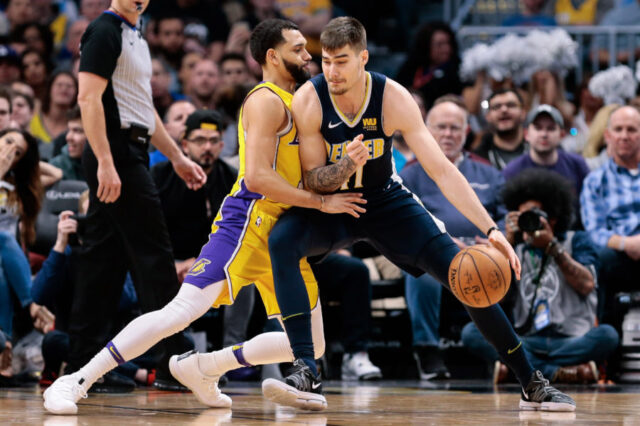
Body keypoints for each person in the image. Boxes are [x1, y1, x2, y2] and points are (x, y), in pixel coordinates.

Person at [43, 17, 364, 415]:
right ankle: (76, 380)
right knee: (179, 312)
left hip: (286, 231)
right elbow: (258, 178)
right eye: (297, 48)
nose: (306, 54)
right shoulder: (265, 99)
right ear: (271, 55)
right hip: (250, 221)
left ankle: (204, 366)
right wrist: (321, 204)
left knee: (310, 344)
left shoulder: (298, 99)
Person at [263, 16, 575, 412]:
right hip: (334, 204)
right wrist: (343, 169)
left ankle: (531, 381)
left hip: (385, 201)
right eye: (325, 61)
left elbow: (442, 170)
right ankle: (306, 369)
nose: (331, 70)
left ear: (363, 58)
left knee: (468, 274)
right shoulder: (309, 99)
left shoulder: (392, 97)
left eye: (341, 61)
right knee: (282, 241)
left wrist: (491, 229)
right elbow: (312, 180)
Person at [45, 0, 208, 403]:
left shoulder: (135, 33)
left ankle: (82, 366)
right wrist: (104, 161)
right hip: (114, 151)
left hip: (129, 150)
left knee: (102, 262)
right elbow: (88, 100)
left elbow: (144, 109)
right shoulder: (104, 30)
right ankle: (175, 363)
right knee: (154, 256)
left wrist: (178, 157)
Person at [463, 169, 619, 384]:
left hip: (572, 339)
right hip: (527, 339)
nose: (529, 221)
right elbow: (494, 297)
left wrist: (553, 247)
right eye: (522, 216)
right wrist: (505, 246)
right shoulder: (514, 248)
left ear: (553, 218)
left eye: (535, 215)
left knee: (607, 336)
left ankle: (521, 369)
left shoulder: (576, 240)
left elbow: (587, 284)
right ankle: (559, 372)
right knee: (472, 331)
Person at [400, 98, 507, 380]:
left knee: (511, 261)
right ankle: (427, 349)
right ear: (426, 129)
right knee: (420, 271)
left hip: (484, 252)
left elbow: (505, 215)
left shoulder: (488, 172)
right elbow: (405, 223)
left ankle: (505, 349)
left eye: (455, 128)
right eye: (441, 127)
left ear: (467, 131)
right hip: (432, 251)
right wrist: (445, 243)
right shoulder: (409, 173)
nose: (448, 134)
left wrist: (499, 239)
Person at [580, 106, 640, 322]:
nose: (624, 136)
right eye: (618, 129)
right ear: (608, 136)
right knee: (601, 257)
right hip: (619, 256)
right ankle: (608, 341)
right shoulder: (595, 181)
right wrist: (628, 244)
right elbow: (594, 232)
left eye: (632, 129)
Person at [502, 105, 590, 204]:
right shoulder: (512, 171)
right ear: (526, 134)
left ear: (562, 135)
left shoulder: (577, 165)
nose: (544, 134)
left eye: (551, 128)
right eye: (538, 128)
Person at [474, 88, 528, 171]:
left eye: (511, 105)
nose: (504, 110)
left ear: (523, 113)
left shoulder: (539, 150)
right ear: (488, 116)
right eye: (497, 107)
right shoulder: (477, 159)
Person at [49, 106, 86, 181]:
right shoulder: (56, 166)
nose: (68, 137)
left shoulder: (112, 168)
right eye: (68, 130)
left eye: (77, 131)